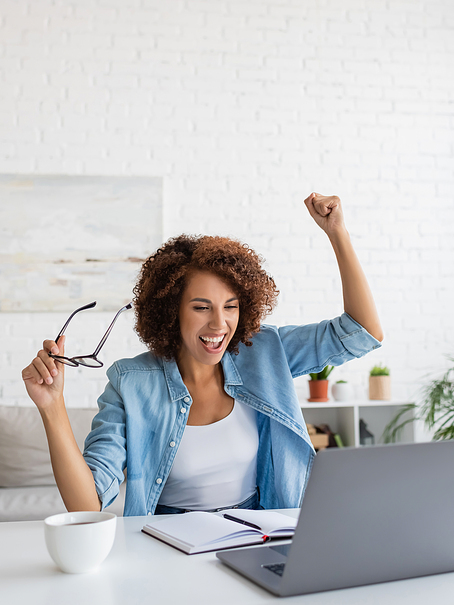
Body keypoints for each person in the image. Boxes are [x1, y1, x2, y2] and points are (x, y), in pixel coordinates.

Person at [22, 193, 383, 516]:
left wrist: (337, 233)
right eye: (200, 307)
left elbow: (363, 332)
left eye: (231, 306)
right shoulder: (129, 383)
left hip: (256, 532)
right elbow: (87, 504)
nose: (219, 323)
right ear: (171, 310)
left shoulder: (266, 352)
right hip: (168, 542)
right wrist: (52, 408)